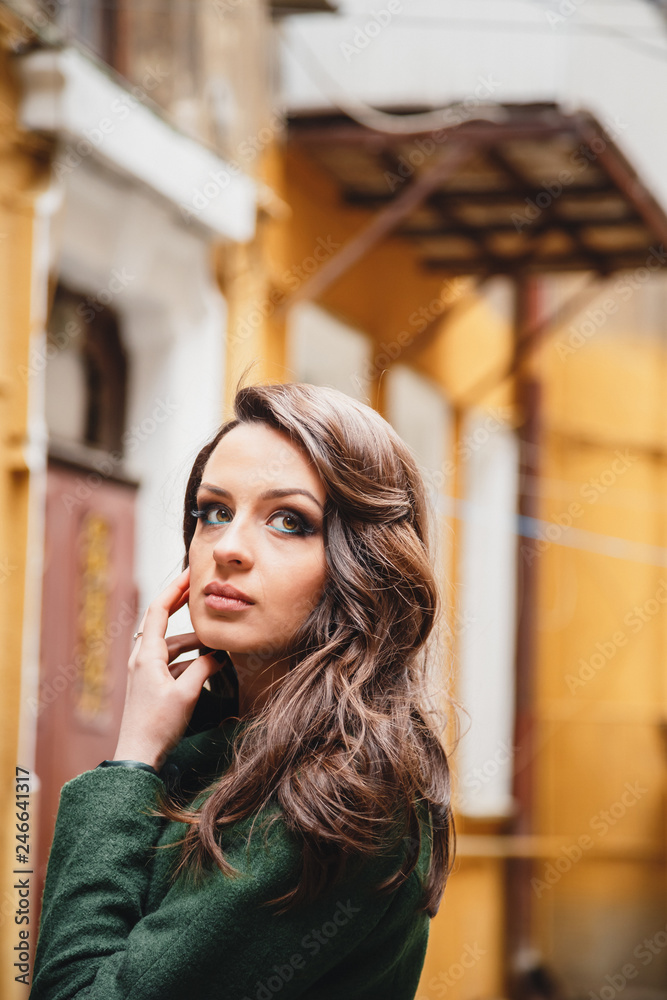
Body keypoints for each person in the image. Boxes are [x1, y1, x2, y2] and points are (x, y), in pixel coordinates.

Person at [29, 381, 457, 1000]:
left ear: (360, 565)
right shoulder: (219, 737)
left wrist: (130, 760)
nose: (227, 548)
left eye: (289, 521)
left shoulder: (338, 800)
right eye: (214, 512)